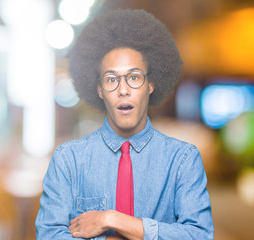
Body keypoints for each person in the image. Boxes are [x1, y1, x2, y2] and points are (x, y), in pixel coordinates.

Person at [35, 9, 214, 240]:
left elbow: (199, 235)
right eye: (111, 79)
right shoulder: (68, 161)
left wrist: (111, 219)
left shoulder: (183, 160)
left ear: (150, 84)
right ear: (99, 89)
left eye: (134, 77)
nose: (123, 89)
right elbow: (49, 236)